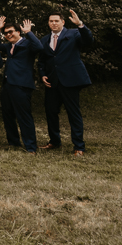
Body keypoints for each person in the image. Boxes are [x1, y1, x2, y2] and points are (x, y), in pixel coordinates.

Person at [38, 10, 93, 156]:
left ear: (63, 22)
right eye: (51, 21)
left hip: (70, 81)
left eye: (56, 21)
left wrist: (80, 24)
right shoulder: (44, 40)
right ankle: (54, 141)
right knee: (50, 112)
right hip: (52, 82)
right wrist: (42, 74)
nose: (53, 23)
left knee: (73, 113)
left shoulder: (74, 34)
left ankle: (79, 146)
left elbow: (89, 41)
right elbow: (42, 60)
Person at [0, 17, 43, 155]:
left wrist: (29, 32)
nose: (8, 34)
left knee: (24, 116)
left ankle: (31, 146)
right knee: (7, 115)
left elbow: (39, 47)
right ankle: (13, 142)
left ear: (18, 32)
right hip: (8, 84)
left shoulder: (28, 43)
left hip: (22, 85)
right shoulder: (9, 46)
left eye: (11, 32)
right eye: (6, 33)